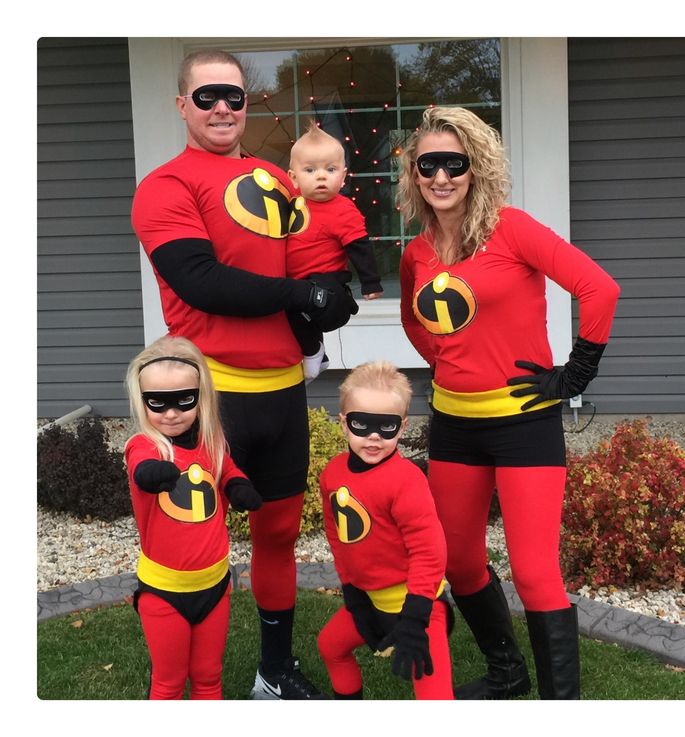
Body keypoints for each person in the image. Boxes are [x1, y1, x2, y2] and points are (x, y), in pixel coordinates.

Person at [130, 49, 355, 699]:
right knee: (188, 534)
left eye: (233, 95)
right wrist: (298, 298)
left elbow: (310, 265)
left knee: (278, 531)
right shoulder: (166, 186)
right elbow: (200, 281)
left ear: (247, 103)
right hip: (210, 399)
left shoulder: (275, 180)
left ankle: (274, 670)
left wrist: (328, 295)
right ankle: (180, 669)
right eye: (206, 97)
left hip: (282, 391)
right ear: (182, 106)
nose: (222, 107)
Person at [398, 106, 620, 700]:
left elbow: (600, 289)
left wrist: (574, 375)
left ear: (476, 170)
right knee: (459, 562)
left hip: (525, 426)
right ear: (415, 174)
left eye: (455, 164)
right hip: (453, 427)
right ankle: (507, 672)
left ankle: (559, 708)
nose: (441, 177)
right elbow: (413, 321)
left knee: (535, 572)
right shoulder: (417, 251)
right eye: (429, 165)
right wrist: (446, 358)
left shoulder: (512, 229)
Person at [124, 335, 263, 699]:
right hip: (164, 590)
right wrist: (152, 474)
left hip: (215, 585)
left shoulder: (213, 443)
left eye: (183, 401)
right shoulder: (146, 446)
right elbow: (140, 467)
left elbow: (228, 470)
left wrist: (239, 486)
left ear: (202, 398)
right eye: (158, 403)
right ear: (142, 402)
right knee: (168, 684)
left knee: (207, 677)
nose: (171, 413)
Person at [317, 361, 454, 700]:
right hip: (369, 601)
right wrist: (351, 589)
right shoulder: (332, 475)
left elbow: (429, 549)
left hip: (421, 607)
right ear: (343, 423)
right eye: (362, 424)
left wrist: (415, 616)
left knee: (434, 694)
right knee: (330, 647)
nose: (374, 436)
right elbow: (336, 533)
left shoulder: (407, 481)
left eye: (387, 426)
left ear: (403, 426)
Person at [286, 122, 383, 382]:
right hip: (297, 279)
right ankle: (322, 354)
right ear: (293, 178)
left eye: (330, 169)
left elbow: (359, 247)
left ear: (343, 176)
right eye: (310, 170)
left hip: (327, 280)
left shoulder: (343, 209)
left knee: (295, 311)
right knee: (287, 308)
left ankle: (313, 351)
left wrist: (370, 283)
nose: (321, 176)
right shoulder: (291, 204)